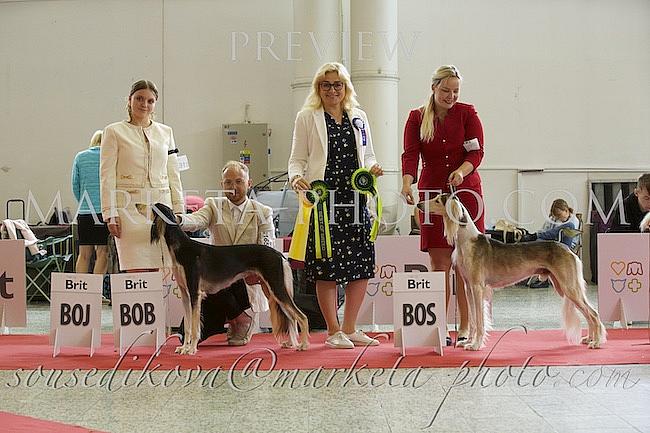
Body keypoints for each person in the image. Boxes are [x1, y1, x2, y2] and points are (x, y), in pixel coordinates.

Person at [288, 62, 384, 349]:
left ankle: (350, 328)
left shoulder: (359, 117)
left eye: (337, 84)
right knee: (326, 264)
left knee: (361, 264)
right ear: (318, 88)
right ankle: (333, 330)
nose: (332, 90)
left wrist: (372, 168)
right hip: (323, 200)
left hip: (356, 198)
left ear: (346, 87)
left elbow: (368, 154)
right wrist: (296, 178)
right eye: (326, 85)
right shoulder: (307, 117)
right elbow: (297, 159)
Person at [401, 65, 485, 346]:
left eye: (456, 91)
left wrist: (461, 171)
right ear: (433, 87)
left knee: (467, 266)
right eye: (446, 90)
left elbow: (477, 153)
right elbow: (410, 154)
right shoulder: (416, 118)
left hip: (466, 193)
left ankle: (467, 327)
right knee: (440, 264)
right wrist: (407, 183)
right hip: (433, 194)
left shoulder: (467, 113)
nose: (451, 96)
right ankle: (439, 326)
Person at [176, 161, 273, 346]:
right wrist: (178, 219)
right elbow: (197, 220)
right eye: (228, 182)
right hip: (218, 282)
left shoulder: (263, 211)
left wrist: (260, 271)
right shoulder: (213, 205)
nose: (233, 187)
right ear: (221, 185)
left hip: (247, 280)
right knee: (182, 337)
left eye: (238, 181)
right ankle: (236, 318)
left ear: (249, 183)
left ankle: (241, 319)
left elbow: (267, 245)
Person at [100, 79, 184, 272]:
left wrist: (179, 209)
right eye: (139, 98)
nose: (144, 104)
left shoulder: (166, 132)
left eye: (150, 100)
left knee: (162, 270)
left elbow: (174, 173)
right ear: (129, 100)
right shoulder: (113, 132)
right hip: (127, 210)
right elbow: (106, 175)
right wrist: (109, 213)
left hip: (162, 209)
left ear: (155, 104)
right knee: (135, 270)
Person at [71, 130, 109, 275]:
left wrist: (83, 203)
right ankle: (97, 288)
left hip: (85, 212)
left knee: (84, 255)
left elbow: (75, 185)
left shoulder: (80, 157)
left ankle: (82, 286)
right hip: (104, 212)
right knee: (102, 253)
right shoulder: (109, 157)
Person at [525, 199, 580, 288]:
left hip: (565, 245)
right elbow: (544, 230)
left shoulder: (573, 220)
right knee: (537, 242)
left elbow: (569, 235)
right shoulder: (553, 219)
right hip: (552, 243)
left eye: (559, 215)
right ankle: (542, 278)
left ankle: (534, 236)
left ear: (566, 210)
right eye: (556, 216)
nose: (558, 218)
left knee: (569, 226)